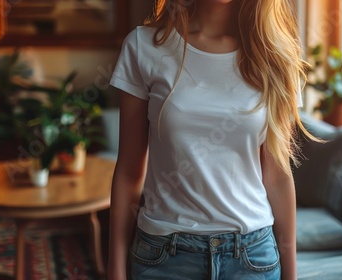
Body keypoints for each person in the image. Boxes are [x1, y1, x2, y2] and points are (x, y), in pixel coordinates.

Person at [108, 0, 317, 279]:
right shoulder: (143, 46)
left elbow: (278, 176)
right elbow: (129, 171)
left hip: (252, 258)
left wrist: (290, 273)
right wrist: (115, 268)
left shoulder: (275, 56)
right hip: (163, 257)